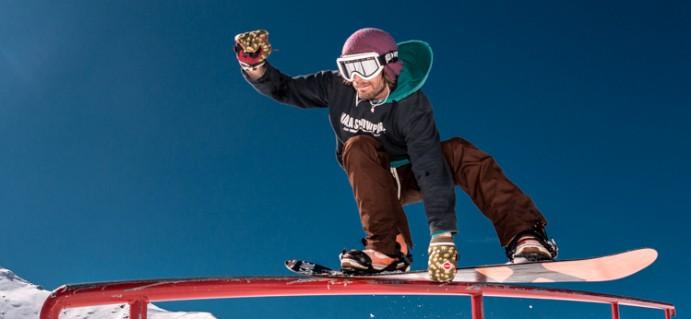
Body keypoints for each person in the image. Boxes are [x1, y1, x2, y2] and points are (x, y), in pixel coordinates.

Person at [234, 27, 557, 282]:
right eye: (347, 68)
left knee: (460, 150)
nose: (355, 78)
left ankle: (524, 235)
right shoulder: (337, 87)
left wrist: (441, 236)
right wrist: (254, 65)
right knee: (357, 145)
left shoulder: (412, 105)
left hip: (415, 172)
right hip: (374, 179)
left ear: (388, 65)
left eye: (363, 67)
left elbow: (430, 167)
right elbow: (285, 89)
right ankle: (386, 251)